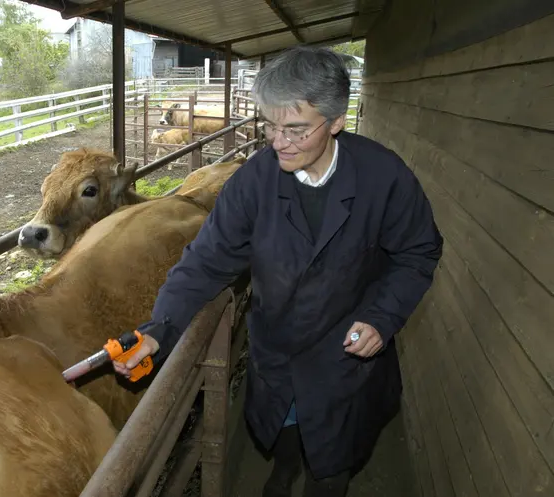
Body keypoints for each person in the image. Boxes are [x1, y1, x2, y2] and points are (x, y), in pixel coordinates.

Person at [113, 45, 443, 497]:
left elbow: (419, 252)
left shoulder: (384, 177)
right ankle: (284, 470)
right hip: (279, 343)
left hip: (345, 352)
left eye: (295, 129)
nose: (277, 141)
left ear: (336, 123)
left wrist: (383, 317)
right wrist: (159, 329)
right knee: (286, 427)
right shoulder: (254, 181)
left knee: (332, 464)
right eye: (270, 125)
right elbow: (205, 261)